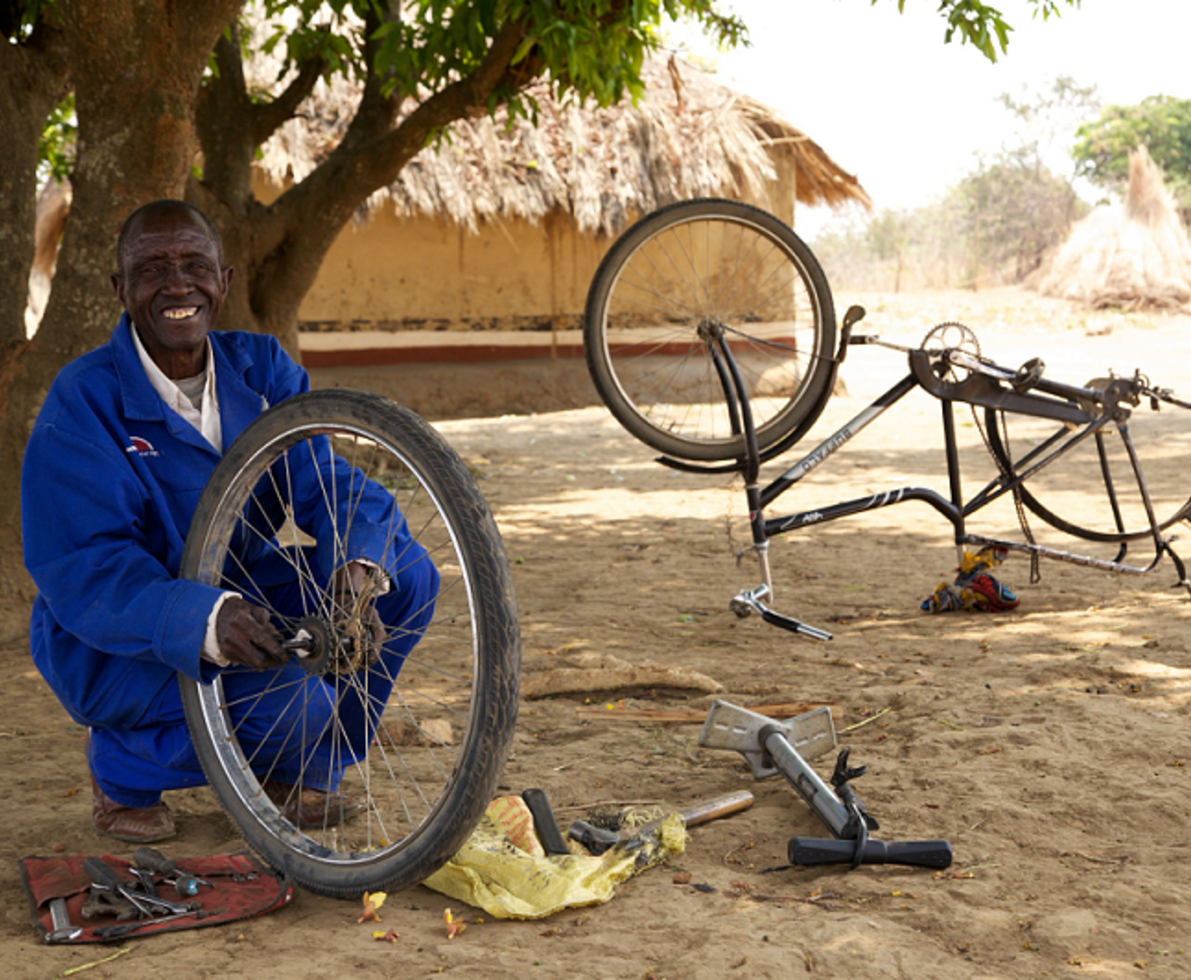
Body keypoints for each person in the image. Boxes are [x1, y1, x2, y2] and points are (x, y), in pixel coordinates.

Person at [22, 199, 437, 843]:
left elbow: (326, 482)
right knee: (297, 701)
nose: (178, 285)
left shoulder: (261, 370)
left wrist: (357, 567)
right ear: (120, 288)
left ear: (225, 280)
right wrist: (207, 619)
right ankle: (122, 767)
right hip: (114, 639)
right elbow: (89, 567)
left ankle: (304, 767)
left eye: (195, 265)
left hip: (241, 593)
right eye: (152, 269)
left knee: (404, 574)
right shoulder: (83, 401)